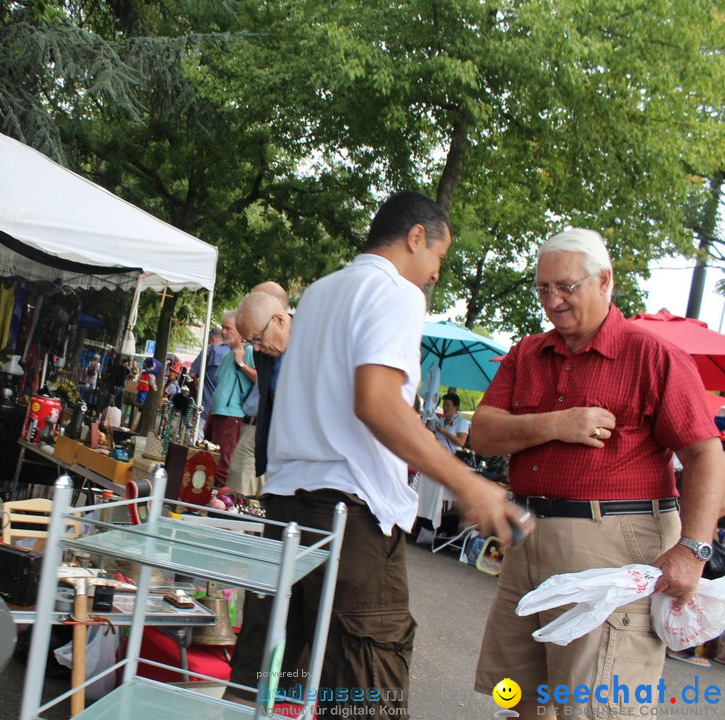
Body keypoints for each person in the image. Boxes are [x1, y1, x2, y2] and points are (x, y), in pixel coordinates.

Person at [228, 191, 527, 716]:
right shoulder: (396, 292)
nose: (436, 273)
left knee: (265, 688)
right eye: (438, 257)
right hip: (351, 521)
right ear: (416, 237)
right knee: (366, 701)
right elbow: (377, 404)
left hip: (289, 510)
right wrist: (467, 483)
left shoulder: (320, 292)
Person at [471, 229, 725, 716]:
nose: (553, 300)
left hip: (611, 538)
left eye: (566, 286)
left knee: (593, 706)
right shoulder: (528, 352)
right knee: (522, 698)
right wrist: (558, 424)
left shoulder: (651, 355)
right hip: (527, 537)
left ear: (605, 280)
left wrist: (693, 549)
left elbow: (706, 454)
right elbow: (482, 432)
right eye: (543, 288)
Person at [231, 284, 291, 496]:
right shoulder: (263, 352)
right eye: (250, 341)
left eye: (257, 338)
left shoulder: (309, 344)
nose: (255, 348)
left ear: (279, 320)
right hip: (274, 448)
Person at [206, 312, 256, 485]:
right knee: (210, 458)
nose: (224, 332)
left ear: (240, 331)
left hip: (233, 414)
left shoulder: (247, 351)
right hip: (219, 412)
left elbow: (259, 378)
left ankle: (221, 499)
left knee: (223, 462)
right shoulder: (228, 354)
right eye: (223, 328)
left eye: (228, 328)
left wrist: (241, 363)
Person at [190, 327, 229, 426]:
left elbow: (192, 373)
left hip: (204, 408)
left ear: (213, 340)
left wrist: (198, 379)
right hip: (225, 413)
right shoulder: (233, 353)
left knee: (197, 439)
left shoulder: (210, 349)